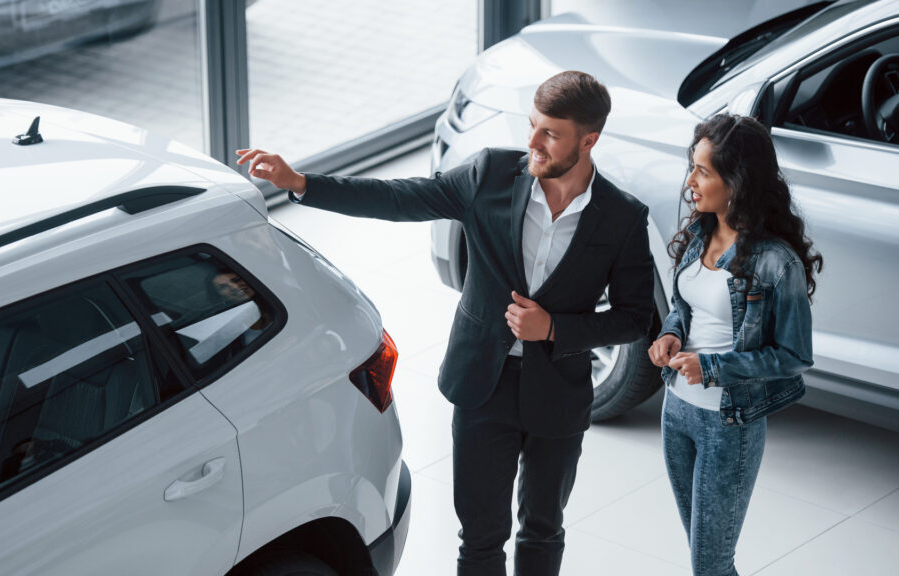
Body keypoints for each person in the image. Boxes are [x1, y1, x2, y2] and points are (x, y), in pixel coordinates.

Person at [238, 71, 655, 576]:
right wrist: (302, 185)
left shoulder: (623, 217)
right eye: (532, 126)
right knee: (480, 538)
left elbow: (634, 319)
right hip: (483, 385)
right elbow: (399, 197)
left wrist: (553, 329)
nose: (533, 143)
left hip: (559, 395)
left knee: (543, 530)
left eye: (550, 133)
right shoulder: (490, 175)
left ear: (589, 140)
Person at [647, 114, 822, 576]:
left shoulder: (776, 263)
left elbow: (794, 357)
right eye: (692, 167)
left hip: (729, 426)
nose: (690, 182)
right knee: (706, 557)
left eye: (703, 171)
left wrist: (712, 367)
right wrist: (669, 333)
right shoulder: (700, 233)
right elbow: (686, 309)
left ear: (738, 182)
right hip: (676, 412)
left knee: (710, 562)